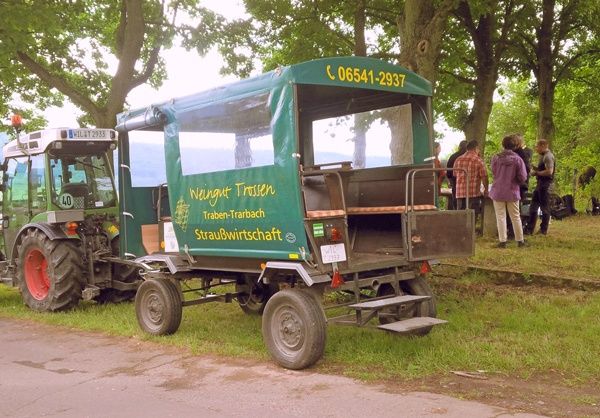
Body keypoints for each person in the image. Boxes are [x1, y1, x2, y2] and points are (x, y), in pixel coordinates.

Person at [489, 135, 528, 248]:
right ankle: (520, 241)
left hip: (498, 190)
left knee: (500, 216)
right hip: (512, 191)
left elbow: (494, 172)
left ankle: (502, 241)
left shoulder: (496, 158)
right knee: (515, 216)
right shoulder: (518, 159)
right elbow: (523, 176)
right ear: (515, 146)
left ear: (503, 145)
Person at [454, 140, 489, 227]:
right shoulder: (478, 160)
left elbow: (455, 174)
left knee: (461, 215)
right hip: (473, 193)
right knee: (472, 216)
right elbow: (484, 176)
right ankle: (470, 234)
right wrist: (486, 190)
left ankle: (460, 233)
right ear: (476, 148)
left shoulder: (458, 159)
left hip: (460, 193)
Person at [525, 139, 555, 235]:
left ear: (543, 146)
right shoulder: (543, 157)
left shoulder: (548, 157)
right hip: (540, 185)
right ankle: (529, 228)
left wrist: (536, 173)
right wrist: (535, 168)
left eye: (537, 146)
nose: (536, 148)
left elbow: (549, 171)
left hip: (546, 185)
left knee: (544, 208)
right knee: (533, 207)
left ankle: (543, 230)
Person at [507, 134, 532, 237]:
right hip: (515, 184)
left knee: (515, 210)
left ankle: (514, 232)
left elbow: (525, 170)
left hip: (518, 185)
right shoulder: (516, 153)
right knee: (513, 210)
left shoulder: (521, 153)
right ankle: (512, 230)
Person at [446, 140, 468, 209]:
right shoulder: (468, 157)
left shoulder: (453, 156)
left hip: (454, 180)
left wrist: (450, 181)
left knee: (456, 196)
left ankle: (456, 211)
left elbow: (448, 170)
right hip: (467, 181)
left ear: (459, 147)